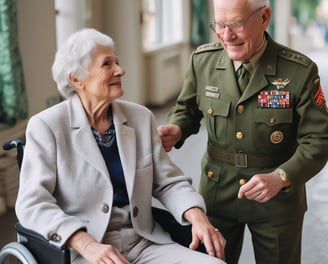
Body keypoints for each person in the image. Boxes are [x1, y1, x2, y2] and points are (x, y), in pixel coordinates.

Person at [15, 28, 226, 264]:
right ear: (76, 79)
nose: (120, 70)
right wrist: (85, 243)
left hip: (144, 242)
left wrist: (198, 218)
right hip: (83, 250)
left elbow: (168, 182)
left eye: (117, 61)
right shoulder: (47, 126)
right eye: (107, 64)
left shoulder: (140, 118)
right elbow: (32, 204)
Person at [158, 0, 328, 263]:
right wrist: (177, 128)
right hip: (217, 193)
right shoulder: (203, 61)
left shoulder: (299, 71)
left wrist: (281, 177)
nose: (227, 36)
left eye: (236, 24)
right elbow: (187, 109)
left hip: (277, 200)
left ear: (264, 18)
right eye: (220, 25)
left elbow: (319, 139)